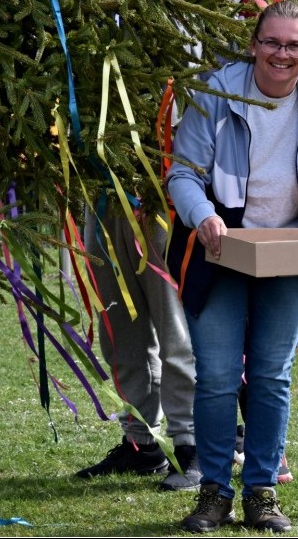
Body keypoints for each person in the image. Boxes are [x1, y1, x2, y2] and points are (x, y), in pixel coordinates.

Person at [166, 0, 298, 532]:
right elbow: (183, 174)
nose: (281, 54)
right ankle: (213, 492)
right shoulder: (215, 93)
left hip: (290, 253)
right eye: (272, 42)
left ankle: (261, 493)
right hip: (219, 252)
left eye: (293, 45)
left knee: (273, 376)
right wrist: (204, 216)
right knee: (217, 377)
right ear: (254, 45)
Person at [75, 204, 201, 492]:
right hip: (101, 202)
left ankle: (192, 445)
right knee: (119, 332)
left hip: (157, 196)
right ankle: (140, 444)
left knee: (175, 331)